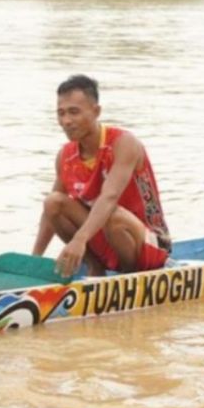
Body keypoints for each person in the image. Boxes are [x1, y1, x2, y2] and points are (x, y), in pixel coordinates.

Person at [33, 74, 172, 278]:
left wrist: (79, 239)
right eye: (61, 113)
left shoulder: (123, 143)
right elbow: (50, 213)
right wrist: (35, 258)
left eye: (74, 112)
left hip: (149, 243)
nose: (66, 121)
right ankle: (95, 267)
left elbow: (109, 197)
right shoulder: (65, 155)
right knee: (53, 202)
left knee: (112, 215)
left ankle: (129, 276)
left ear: (96, 111)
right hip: (103, 235)